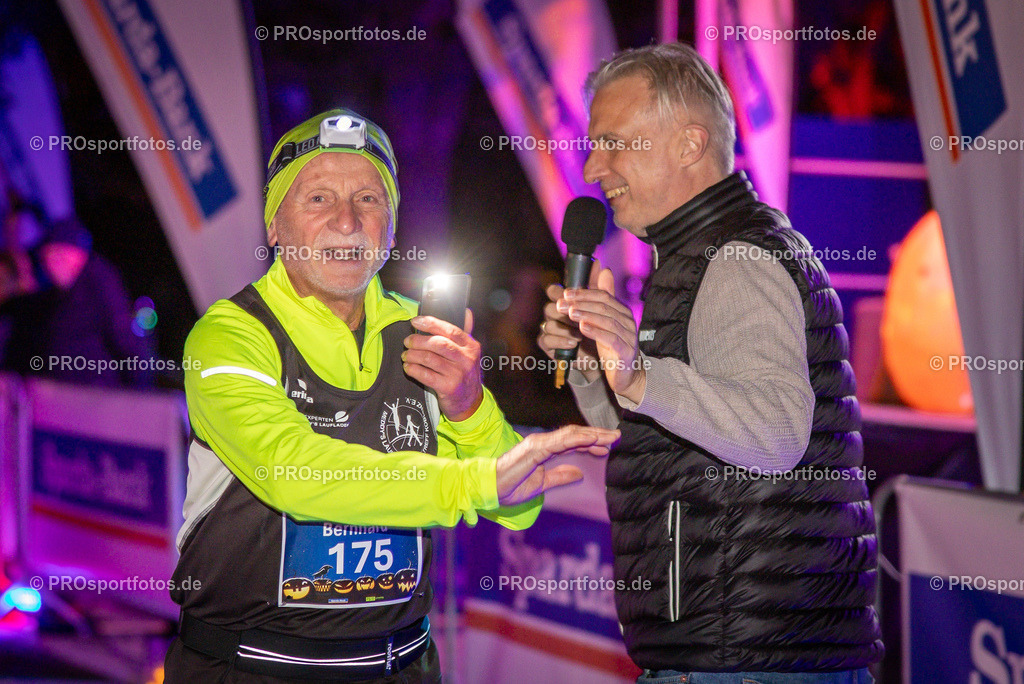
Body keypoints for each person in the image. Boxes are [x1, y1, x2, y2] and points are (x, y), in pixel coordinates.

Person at [164, 109, 618, 683]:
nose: (348, 222)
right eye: (319, 199)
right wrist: (472, 483)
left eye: (369, 200)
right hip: (251, 668)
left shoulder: (425, 331)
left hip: (404, 667)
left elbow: (518, 506)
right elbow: (292, 473)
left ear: (393, 229)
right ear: (274, 226)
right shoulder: (230, 335)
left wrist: (468, 408)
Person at [538, 44, 882, 682]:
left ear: (689, 145)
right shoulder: (701, 255)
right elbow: (658, 437)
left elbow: (776, 434)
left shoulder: (737, 259)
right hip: (738, 654)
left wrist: (639, 373)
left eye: (612, 143)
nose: (591, 167)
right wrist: (596, 364)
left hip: (747, 662)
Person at [0, 216, 156, 387]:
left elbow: (123, 335)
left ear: (72, 254)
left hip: (93, 395)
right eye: (47, 258)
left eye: (54, 256)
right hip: (66, 393)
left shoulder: (98, 278)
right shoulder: (60, 294)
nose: (49, 265)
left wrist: (138, 391)